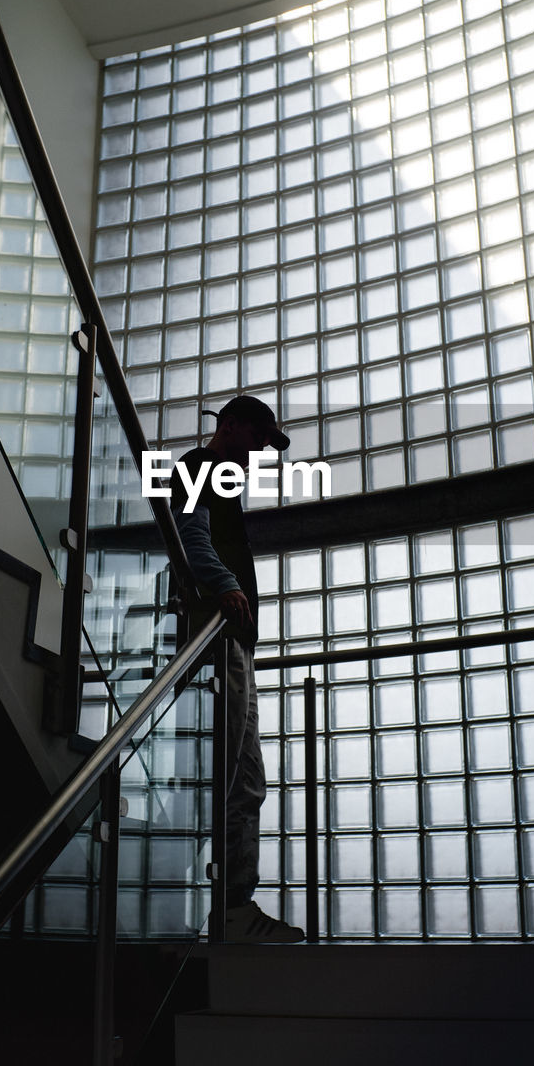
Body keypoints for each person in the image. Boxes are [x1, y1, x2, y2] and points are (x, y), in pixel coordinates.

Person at [171, 394, 305, 943]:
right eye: (255, 439)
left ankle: (234, 907)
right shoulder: (198, 465)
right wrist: (223, 584)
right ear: (229, 427)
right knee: (222, 773)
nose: (256, 456)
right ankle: (206, 900)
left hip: (233, 642)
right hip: (217, 635)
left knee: (246, 781)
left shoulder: (216, 476)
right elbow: (189, 534)